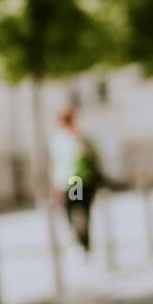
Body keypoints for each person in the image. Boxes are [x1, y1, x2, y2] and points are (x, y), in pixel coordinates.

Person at [49, 107, 104, 251]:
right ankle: (81, 242)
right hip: (71, 181)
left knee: (78, 212)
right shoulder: (63, 138)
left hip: (76, 181)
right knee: (76, 213)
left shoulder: (69, 138)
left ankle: (82, 243)